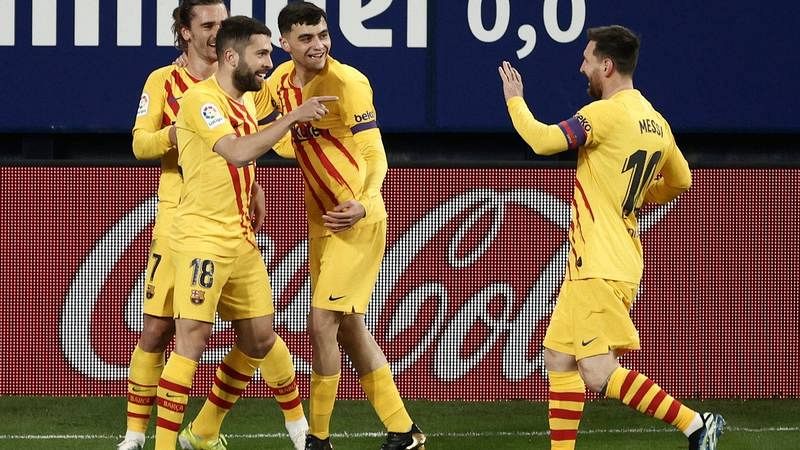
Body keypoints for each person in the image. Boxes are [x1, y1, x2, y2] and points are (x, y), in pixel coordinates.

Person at [498, 25, 724, 449]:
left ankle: (696, 424)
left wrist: (515, 101)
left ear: (607, 65)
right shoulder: (657, 123)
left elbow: (544, 141)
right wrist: (636, 199)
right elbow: (682, 180)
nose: (581, 66)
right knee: (558, 357)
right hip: (614, 259)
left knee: (597, 372)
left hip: (597, 265)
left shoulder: (604, 114)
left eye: (586, 59)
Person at [120, 3, 310, 450]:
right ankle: (135, 438)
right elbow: (140, 143)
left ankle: (208, 430)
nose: (214, 32)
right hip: (181, 218)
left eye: (220, 25)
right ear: (185, 32)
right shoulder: (170, 84)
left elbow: (243, 149)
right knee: (160, 329)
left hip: (235, 221)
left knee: (257, 334)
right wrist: (179, 132)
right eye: (206, 25)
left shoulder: (241, 90)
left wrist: (254, 186)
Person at [253, 3, 426, 449]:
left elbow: (374, 153)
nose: (319, 45)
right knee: (348, 328)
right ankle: (404, 429)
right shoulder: (278, 84)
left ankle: (319, 439)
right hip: (320, 221)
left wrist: (365, 204)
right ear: (284, 43)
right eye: (307, 38)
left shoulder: (348, 82)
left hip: (357, 219)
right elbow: (247, 118)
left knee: (321, 321)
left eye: (323, 35)